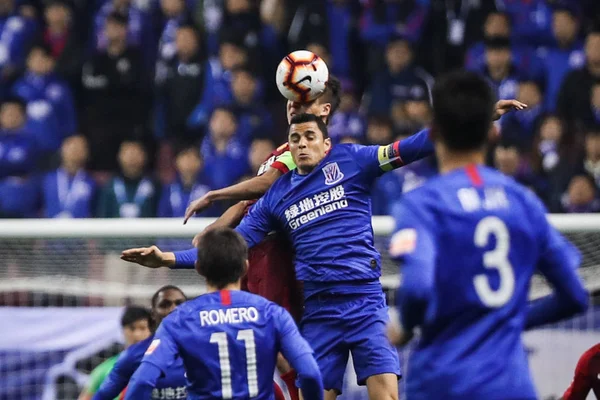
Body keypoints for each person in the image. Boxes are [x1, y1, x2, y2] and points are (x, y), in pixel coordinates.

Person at [386, 70, 589, 399]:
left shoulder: (422, 204)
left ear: (434, 132)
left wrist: (405, 327)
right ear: (492, 134)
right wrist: (512, 321)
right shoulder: (523, 201)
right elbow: (576, 296)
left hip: (442, 382)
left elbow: (418, 287)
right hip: (509, 384)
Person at [124, 228, 323, 399]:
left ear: (199, 268)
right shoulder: (272, 313)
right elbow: (311, 373)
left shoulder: (179, 319)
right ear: (245, 267)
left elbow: (142, 380)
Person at [92, 286, 187, 400]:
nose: (173, 309)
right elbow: (102, 395)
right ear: (153, 313)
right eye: (165, 305)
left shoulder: (203, 349)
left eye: (180, 303)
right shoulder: (133, 355)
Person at [79, 306, 151, 400]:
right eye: (132, 328)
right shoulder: (105, 369)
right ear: (123, 330)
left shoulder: (163, 365)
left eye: (142, 328)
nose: (137, 334)